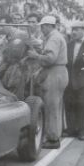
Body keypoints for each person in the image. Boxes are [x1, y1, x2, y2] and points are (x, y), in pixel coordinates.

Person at [27, 15, 68, 149]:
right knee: (56, 106)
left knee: (51, 107)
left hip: (55, 72)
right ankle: (56, 134)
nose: (42, 28)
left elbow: (50, 58)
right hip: (59, 72)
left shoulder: (54, 38)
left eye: (43, 26)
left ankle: (53, 139)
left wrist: (36, 56)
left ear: (49, 26)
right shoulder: (55, 36)